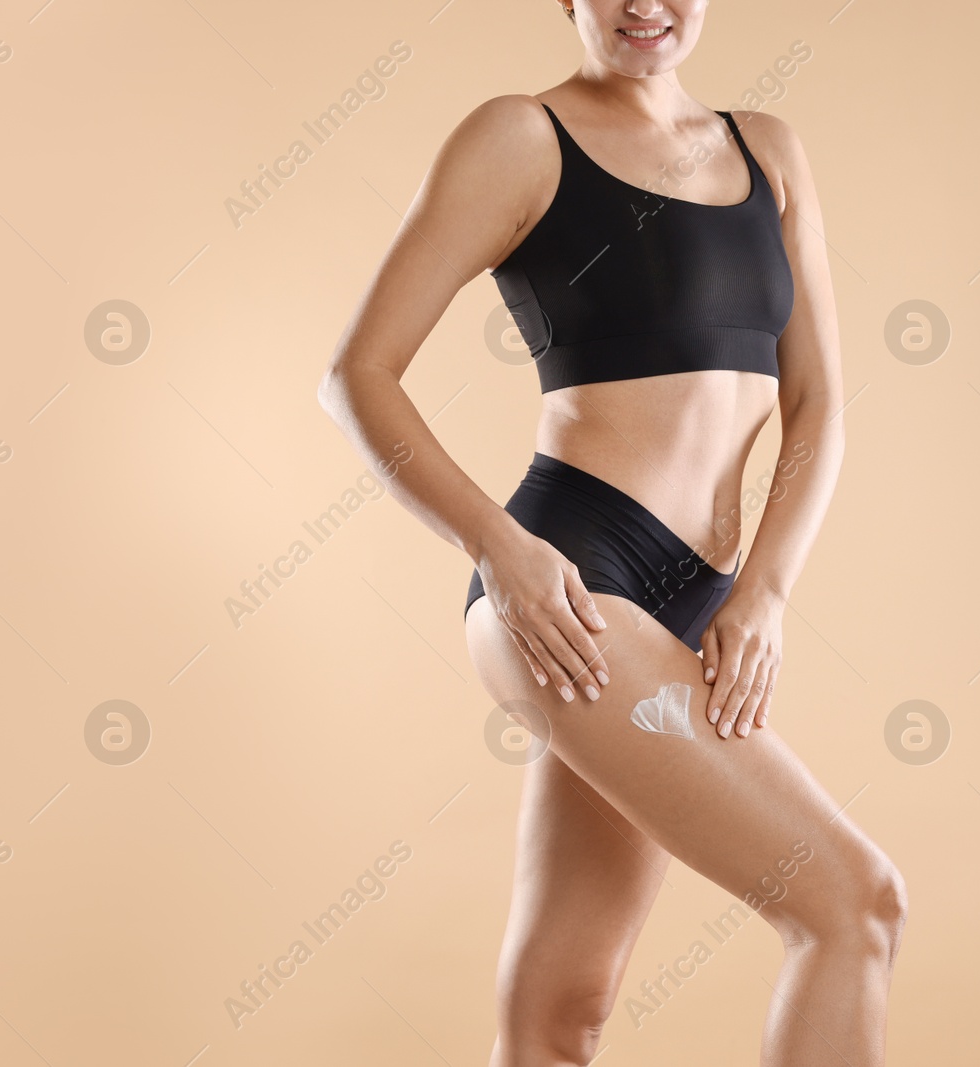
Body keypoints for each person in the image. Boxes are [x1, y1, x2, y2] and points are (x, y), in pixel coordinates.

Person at [317, 3, 905, 1063]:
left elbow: (818, 403)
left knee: (560, 1007)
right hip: (573, 586)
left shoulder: (767, 150)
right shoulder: (519, 138)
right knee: (851, 902)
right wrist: (497, 548)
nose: (644, 4)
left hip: (703, 599)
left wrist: (764, 592)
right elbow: (356, 375)